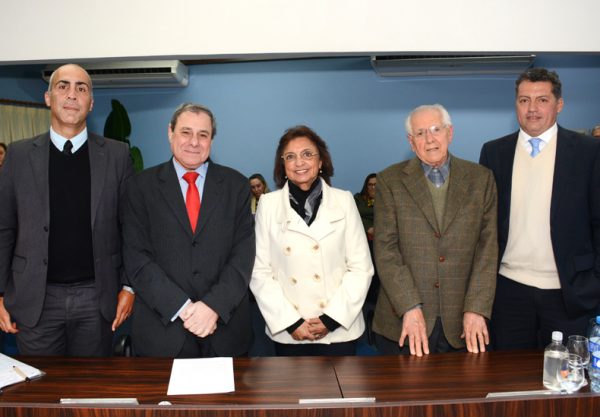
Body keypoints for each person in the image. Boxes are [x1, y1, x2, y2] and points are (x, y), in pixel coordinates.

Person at [0, 64, 134, 356]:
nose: (72, 94)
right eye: (63, 86)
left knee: (91, 384)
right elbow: (4, 228)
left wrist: (129, 287)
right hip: (35, 299)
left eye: (81, 88)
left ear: (91, 103)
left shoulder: (117, 155)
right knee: (39, 383)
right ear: (48, 98)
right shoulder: (18, 155)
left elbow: (131, 228)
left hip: (96, 299)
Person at [121, 103, 255, 358]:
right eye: (186, 132)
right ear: (170, 133)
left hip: (225, 329)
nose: (194, 142)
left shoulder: (236, 185)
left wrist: (213, 306)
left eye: (203, 134)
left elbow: (243, 256)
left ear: (211, 140)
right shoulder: (140, 186)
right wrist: (183, 308)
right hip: (163, 332)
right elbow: (136, 257)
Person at [480, 68, 600, 350]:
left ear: (559, 104)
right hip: (508, 291)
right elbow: (484, 226)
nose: (532, 108)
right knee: (509, 373)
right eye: (524, 100)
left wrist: (594, 283)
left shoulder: (589, 152)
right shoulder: (494, 152)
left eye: (542, 100)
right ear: (516, 105)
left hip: (568, 293)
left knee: (565, 374)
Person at [373, 104, 498, 357]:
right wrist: (409, 305)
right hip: (404, 323)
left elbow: (488, 249)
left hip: (464, 324)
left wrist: (476, 308)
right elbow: (386, 250)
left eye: (435, 129)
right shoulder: (389, 181)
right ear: (411, 142)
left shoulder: (481, 179)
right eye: (420, 133)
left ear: (449, 133)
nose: (429, 139)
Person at [250, 125, 373, 356]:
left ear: (321, 161)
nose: (299, 162)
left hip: (338, 330)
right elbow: (259, 271)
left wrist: (331, 319)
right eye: (290, 156)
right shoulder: (268, 205)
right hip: (289, 331)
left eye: (307, 154)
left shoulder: (344, 201)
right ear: (283, 165)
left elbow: (360, 268)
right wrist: (291, 323)